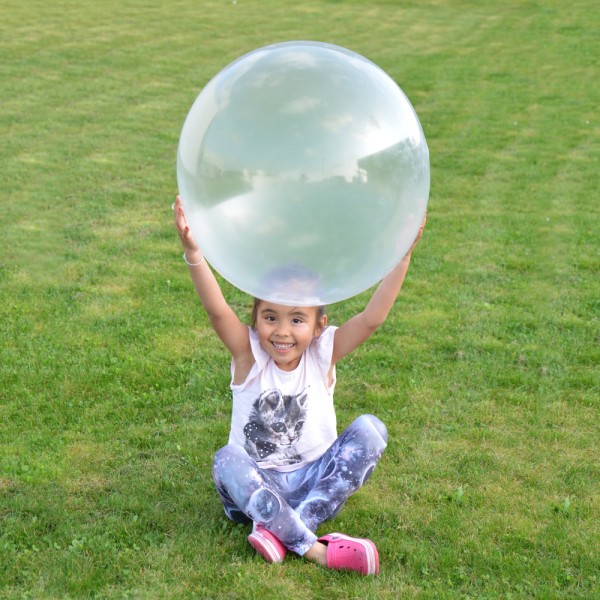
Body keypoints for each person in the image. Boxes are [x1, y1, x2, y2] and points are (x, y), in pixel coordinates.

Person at [174, 195, 426, 575]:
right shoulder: (249, 356)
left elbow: (372, 319)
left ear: (319, 326)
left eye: (297, 320)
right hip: (256, 486)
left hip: (313, 482)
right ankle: (313, 549)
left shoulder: (323, 355)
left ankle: (282, 529)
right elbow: (216, 310)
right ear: (256, 320)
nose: (281, 331)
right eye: (270, 317)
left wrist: (402, 256)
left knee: (372, 430)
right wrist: (194, 251)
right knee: (226, 459)